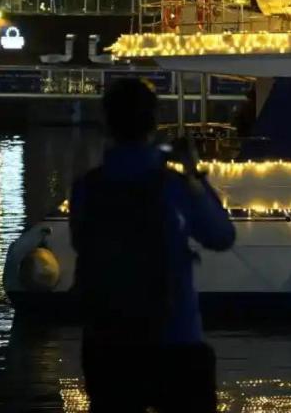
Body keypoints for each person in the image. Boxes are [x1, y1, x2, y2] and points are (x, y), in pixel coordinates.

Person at [71, 79, 235, 412]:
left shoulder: (87, 189)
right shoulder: (172, 186)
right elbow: (221, 236)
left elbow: (80, 243)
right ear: (153, 123)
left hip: (108, 346)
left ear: (107, 123)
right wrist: (193, 173)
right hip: (175, 341)